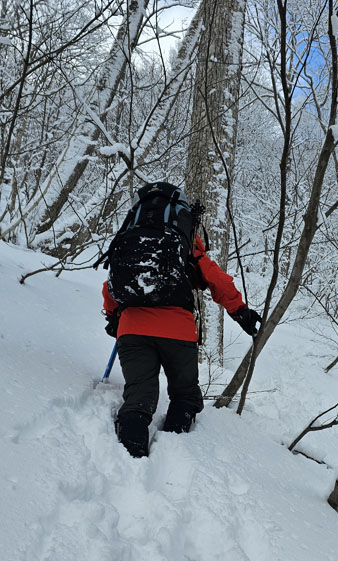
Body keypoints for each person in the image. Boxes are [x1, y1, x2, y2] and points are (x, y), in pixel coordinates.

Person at [102, 188, 261, 458]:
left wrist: (113, 317)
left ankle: (130, 457)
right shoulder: (185, 242)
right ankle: (174, 452)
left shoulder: (129, 239)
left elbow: (111, 286)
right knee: (184, 395)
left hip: (132, 330)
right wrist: (240, 311)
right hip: (178, 332)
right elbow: (215, 278)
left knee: (139, 396)